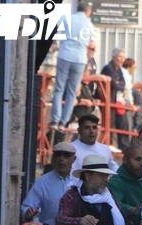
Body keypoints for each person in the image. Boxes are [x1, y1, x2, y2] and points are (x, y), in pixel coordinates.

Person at [21, 142, 78, 225]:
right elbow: (27, 207)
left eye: (66, 155)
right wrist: (28, 214)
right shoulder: (42, 182)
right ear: (53, 158)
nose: (61, 159)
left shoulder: (79, 182)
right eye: (58, 155)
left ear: (73, 159)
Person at [49, 2, 94, 130]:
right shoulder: (89, 25)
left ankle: (55, 120)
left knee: (59, 89)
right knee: (72, 92)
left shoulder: (67, 18)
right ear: (88, 11)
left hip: (65, 55)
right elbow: (90, 42)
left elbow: (54, 28)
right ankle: (64, 122)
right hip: (80, 59)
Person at [101, 48, 129, 149]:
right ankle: (108, 145)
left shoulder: (119, 69)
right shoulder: (109, 68)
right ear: (114, 57)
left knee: (122, 122)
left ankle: (123, 148)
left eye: (124, 57)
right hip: (107, 98)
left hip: (115, 100)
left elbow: (123, 82)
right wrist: (119, 85)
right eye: (120, 57)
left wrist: (119, 84)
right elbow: (115, 84)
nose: (122, 59)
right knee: (109, 122)